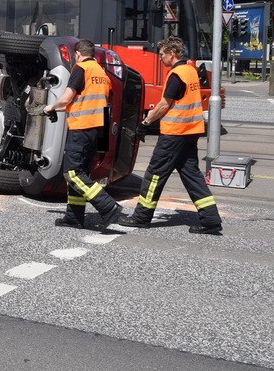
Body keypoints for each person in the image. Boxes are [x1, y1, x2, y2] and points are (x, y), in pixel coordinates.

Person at [118, 36, 223, 235]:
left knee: (154, 175)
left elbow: (164, 104)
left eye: (162, 54)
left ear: (172, 53)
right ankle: (210, 219)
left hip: (174, 134)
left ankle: (141, 217)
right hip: (190, 132)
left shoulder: (176, 74)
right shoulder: (190, 71)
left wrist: (145, 123)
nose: (160, 58)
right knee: (192, 176)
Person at [44, 39, 125, 229]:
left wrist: (50, 107)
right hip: (98, 129)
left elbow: (67, 98)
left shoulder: (81, 68)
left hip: (82, 128)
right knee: (81, 172)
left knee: (72, 173)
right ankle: (74, 217)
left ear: (77, 54)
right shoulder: (102, 73)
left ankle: (108, 206)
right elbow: (91, 104)